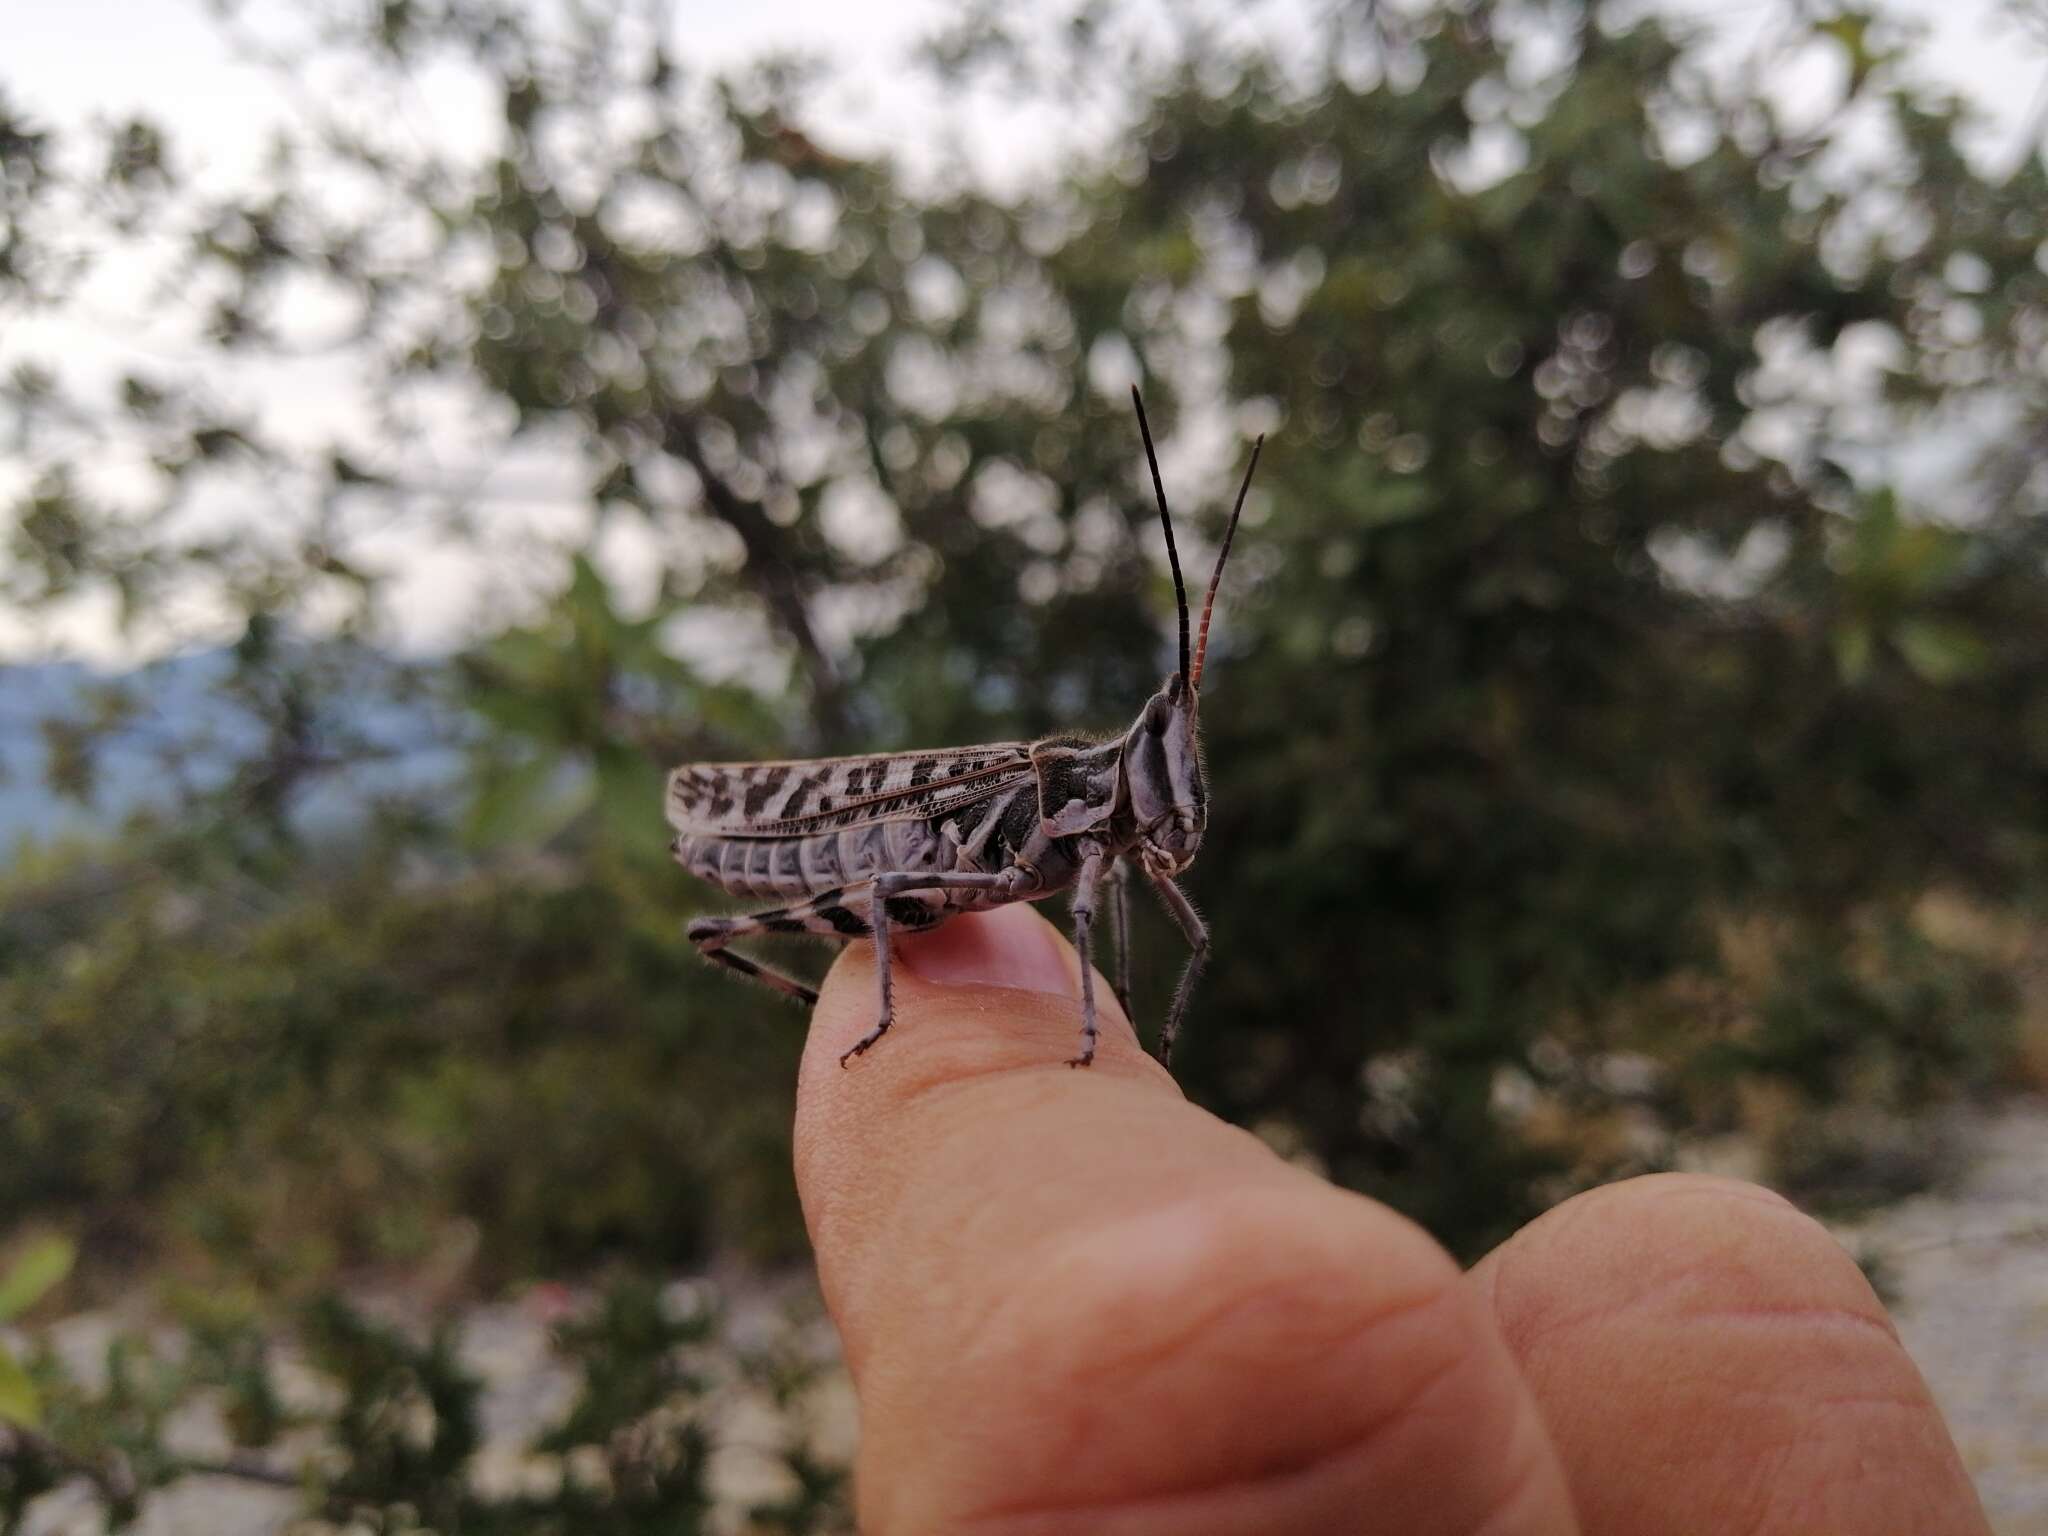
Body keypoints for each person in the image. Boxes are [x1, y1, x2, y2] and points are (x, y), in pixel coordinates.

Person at [793, 903, 1990, 1535]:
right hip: (881, 860)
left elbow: (1159, 930)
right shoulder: (1040, 811)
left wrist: (1128, 1058)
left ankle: (1127, 1048)